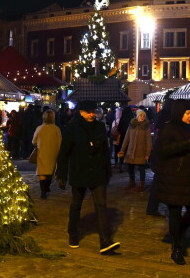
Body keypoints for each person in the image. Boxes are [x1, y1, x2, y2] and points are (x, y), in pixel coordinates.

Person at [55, 101, 120, 255]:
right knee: (76, 204)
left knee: (101, 206)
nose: (92, 114)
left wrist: (107, 170)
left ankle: (105, 241)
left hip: (97, 171)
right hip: (80, 170)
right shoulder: (72, 128)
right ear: (81, 112)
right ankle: (73, 233)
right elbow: (64, 153)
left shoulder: (99, 127)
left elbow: (105, 150)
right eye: (88, 112)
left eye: (93, 111)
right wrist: (62, 174)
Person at [154, 99, 190, 265]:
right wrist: (187, 144)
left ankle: (178, 233)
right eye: (188, 113)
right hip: (173, 177)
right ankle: (176, 248)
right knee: (174, 214)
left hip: (189, 177)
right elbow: (164, 150)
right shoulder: (168, 128)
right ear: (179, 112)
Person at [119, 109, 152, 192]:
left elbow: (148, 141)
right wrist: (122, 150)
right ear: (137, 116)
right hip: (131, 151)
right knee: (130, 167)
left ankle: (141, 185)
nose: (142, 117)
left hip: (141, 152)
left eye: (144, 116)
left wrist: (148, 153)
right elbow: (126, 139)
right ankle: (132, 183)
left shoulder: (146, 127)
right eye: (141, 115)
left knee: (142, 169)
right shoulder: (131, 126)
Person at [32, 109, 62, 199]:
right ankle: (47, 186)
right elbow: (60, 142)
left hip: (42, 151)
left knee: (42, 171)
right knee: (50, 170)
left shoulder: (39, 128)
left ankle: (43, 192)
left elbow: (34, 141)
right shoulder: (56, 128)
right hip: (53, 151)